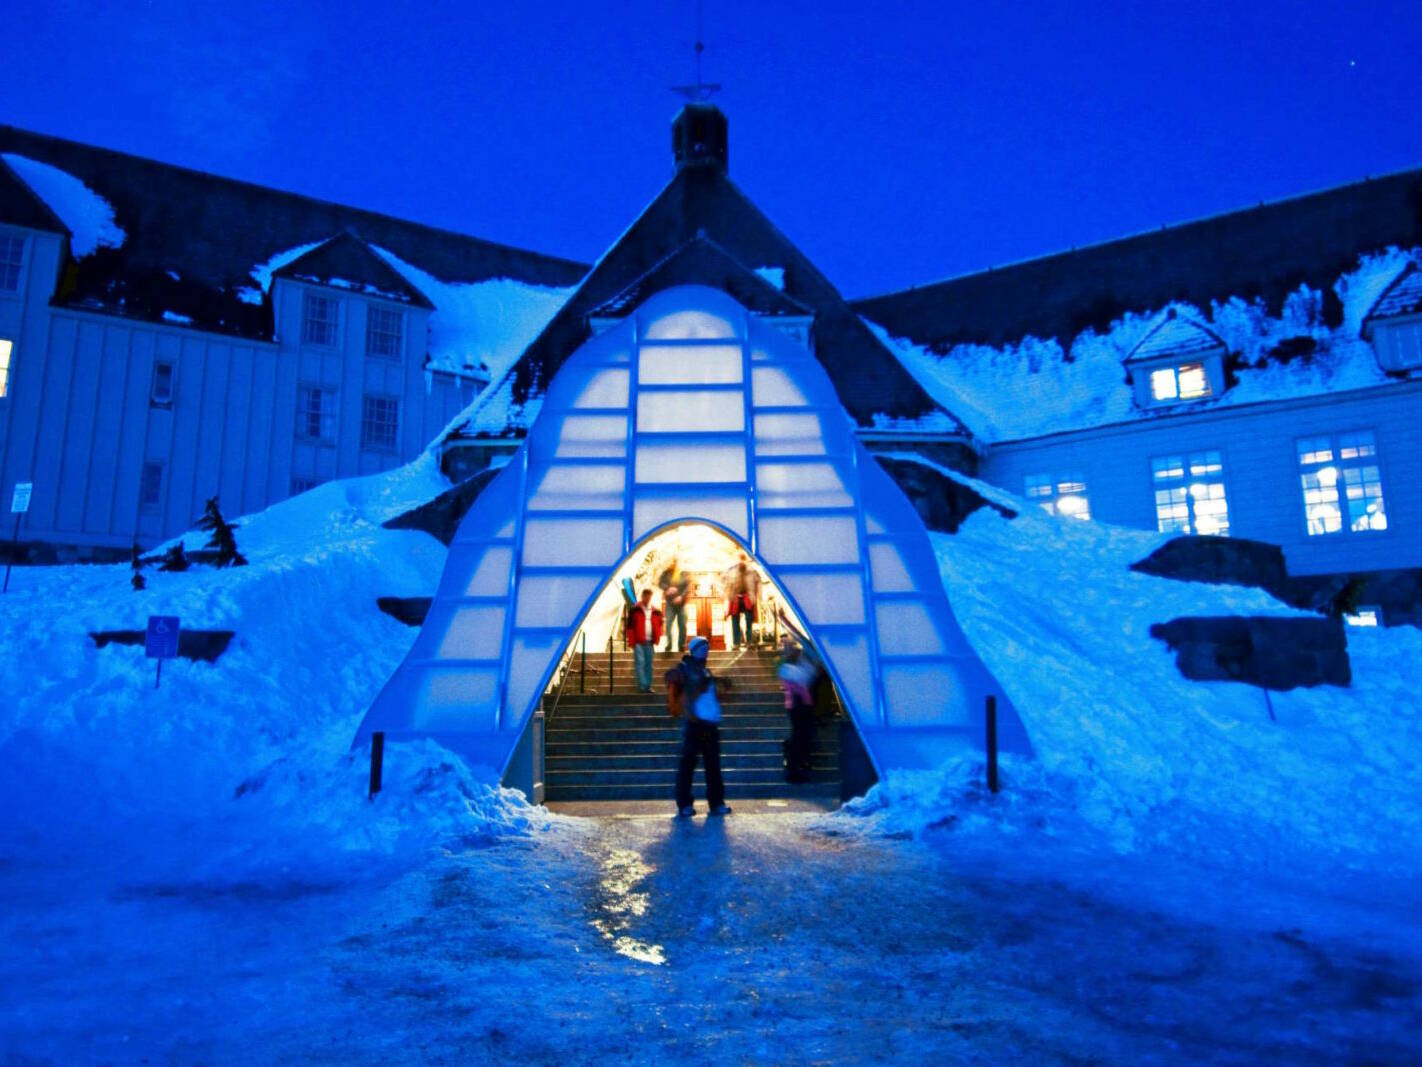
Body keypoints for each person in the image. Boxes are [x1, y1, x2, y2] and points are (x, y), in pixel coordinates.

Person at [665, 636, 732, 817]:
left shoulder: (705, 671)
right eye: (702, 647)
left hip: (710, 725)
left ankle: (716, 802)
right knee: (688, 764)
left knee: (713, 765)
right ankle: (685, 803)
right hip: (694, 725)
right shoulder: (685, 669)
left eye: (707, 647)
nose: (706, 650)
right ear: (693, 650)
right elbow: (671, 678)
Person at [777, 638, 819, 783]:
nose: (796, 652)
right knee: (799, 736)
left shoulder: (791, 667)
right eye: (792, 649)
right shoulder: (786, 668)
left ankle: (798, 764)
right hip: (796, 705)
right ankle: (793, 768)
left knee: (802, 735)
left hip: (801, 704)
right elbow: (805, 676)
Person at [625, 588, 663, 693]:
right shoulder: (635, 610)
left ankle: (647, 686)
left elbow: (659, 625)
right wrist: (631, 642)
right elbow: (630, 627)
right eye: (645, 596)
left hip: (650, 642)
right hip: (638, 642)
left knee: (649, 665)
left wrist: (658, 637)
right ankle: (643, 686)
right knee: (640, 663)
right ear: (642, 596)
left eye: (649, 596)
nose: (647, 598)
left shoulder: (656, 611)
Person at [722, 553, 761, 649]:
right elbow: (724, 582)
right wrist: (726, 596)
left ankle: (749, 642)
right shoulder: (730, 571)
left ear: (746, 560)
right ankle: (736, 643)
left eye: (743, 559)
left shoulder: (752, 571)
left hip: (748, 597)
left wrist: (759, 597)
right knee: (735, 621)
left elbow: (758, 583)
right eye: (739, 559)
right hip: (735, 598)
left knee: (749, 620)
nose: (741, 561)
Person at [658, 557, 690, 653]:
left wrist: (681, 597)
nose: (674, 563)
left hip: (681, 604)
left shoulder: (684, 573)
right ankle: (669, 645)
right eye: (672, 561)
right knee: (668, 624)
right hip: (670, 603)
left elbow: (687, 588)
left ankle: (681, 645)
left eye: (675, 561)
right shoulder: (666, 573)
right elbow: (660, 583)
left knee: (682, 625)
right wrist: (667, 588)